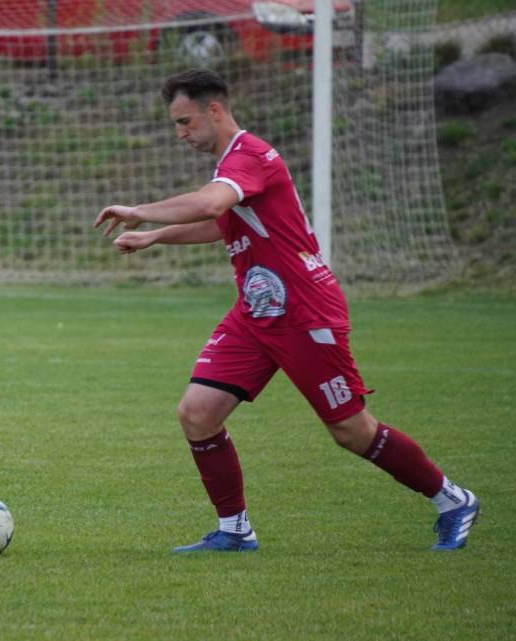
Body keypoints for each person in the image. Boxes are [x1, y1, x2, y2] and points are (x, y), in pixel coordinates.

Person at [94, 68, 477, 552]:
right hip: (257, 310)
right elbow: (222, 222)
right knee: (198, 413)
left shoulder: (249, 156)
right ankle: (235, 531)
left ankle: (453, 500)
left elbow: (211, 206)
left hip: (304, 310)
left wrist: (139, 211)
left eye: (185, 122)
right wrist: (155, 236)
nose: (181, 134)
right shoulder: (231, 167)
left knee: (351, 430)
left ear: (215, 110)